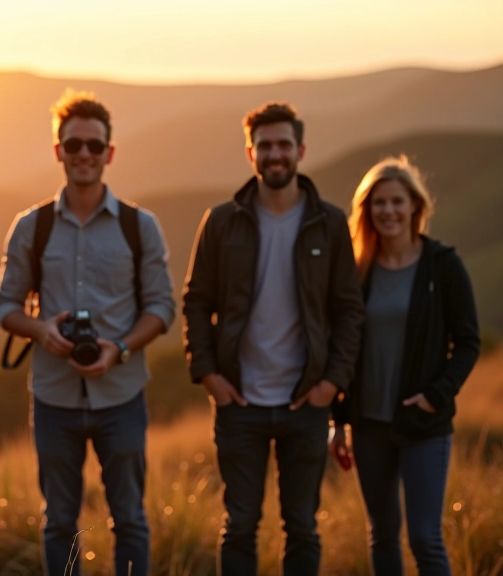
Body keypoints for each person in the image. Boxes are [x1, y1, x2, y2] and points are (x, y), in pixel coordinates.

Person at [0, 90, 175, 576]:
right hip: (55, 397)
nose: (85, 155)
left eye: (95, 146)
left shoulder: (140, 227)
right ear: (58, 151)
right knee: (59, 523)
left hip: (122, 395)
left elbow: (162, 306)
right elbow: (4, 305)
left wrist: (119, 348)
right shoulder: (32, 227)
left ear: (110, 153)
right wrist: (40, 330)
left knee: (130, 519)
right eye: (74, 145)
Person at [182, 102, 364, 575]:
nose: (275, 154)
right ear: (251, 153)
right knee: (240, 524)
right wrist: (207, 374)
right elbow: (197, 301)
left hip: (306, 403)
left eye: (284, 144)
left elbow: (348, 310)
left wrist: (332, 383)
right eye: (265, 146)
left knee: (302, 526)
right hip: (239, 403)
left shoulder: (329, 221)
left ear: (300, 150)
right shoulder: (222, 221)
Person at [330, 156, 479, 576]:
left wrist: (436, 396)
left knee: (424, 538)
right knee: (381, 533)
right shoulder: (356, 271)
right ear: (367, 210)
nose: (388, 211)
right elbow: (341, 347)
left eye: (397, 201)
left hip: (422, 424)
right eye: (379, 203)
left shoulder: (442, 265)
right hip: (368, 424)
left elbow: (468, 342)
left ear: (416, 206)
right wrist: (338, 420)